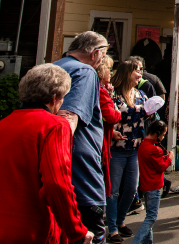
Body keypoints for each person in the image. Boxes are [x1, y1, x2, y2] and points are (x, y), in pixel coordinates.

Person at [0, 64, 93, 244]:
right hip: (17, 231)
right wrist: (77, 231)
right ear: (54, 99)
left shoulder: (3, 124)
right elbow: (57, 183)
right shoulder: (55, 126)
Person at [55, 31, 110, 243]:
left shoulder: (53, 67)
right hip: (79, 174)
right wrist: (57, 157)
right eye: (104, 55)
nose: (103, 60)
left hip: (54, 176)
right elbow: (68, 117)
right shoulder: (85, 71)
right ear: (95, 53)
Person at [107, 58, 148, 243]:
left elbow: (148, 115)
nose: (140, 74)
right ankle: (112, 229)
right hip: (117, 149)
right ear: (127, 73)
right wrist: (112, 133)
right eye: (137, 71)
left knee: (131, 189)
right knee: (113, 190)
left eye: (141, 71)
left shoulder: (140, 94)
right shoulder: (114, 95)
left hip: (135, 148)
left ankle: (120, 220)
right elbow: (106, 118)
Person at [134, 121, 173, 244]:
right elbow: (161, 167)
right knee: (151, 217)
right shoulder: (154, 149)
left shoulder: (143, 145)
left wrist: (165, 157)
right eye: (163, 134)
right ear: (157, 133)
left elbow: (154, 162)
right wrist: (169, 159)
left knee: (149, 216)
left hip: (145, 185)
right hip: (154, 186)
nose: (163, 137)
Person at [99, 56, 122, 199]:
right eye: (109, 68)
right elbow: (112, 116)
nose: (111, 72)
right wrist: (118, 112)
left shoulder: (103, 90)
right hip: (101, 141)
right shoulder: (101, 91)